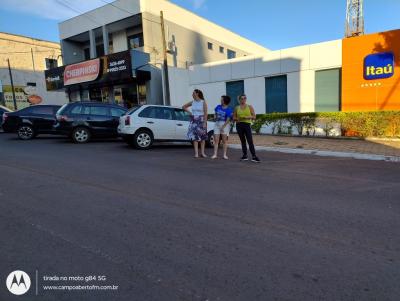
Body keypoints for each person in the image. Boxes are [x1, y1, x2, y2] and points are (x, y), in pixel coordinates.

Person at [233, 94, 261, 163]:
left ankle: (254, 156)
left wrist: (248, 117)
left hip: (247, 125)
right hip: (239, 125)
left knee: (250, 140)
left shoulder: (249, 107)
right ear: (239, 100)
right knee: (243, 141)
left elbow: (254, 117)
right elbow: (233, 118)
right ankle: (245, 155)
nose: (243, 100)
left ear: (246, 99)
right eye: (241, 99)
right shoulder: (237, 108)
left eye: (244, 98)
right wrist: (238, 118)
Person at [183, 89, 208, 158]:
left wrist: (205, 123)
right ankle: (196, 153)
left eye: (193, 93)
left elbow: (206, 113)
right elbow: (184, 106)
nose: (192, 94)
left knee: (202, 138)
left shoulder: (203, 102)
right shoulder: (192, 102)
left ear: (197, 94)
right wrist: (190, 113)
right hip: (194, 121)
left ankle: (202, 153)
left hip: (201, 120)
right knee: (195, 138)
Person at [212, 96, 233, 160]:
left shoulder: (229, 109)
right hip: (217, 124)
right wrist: (215, 117)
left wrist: (223, 127)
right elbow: (215, 114)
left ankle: (224, 155)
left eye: (222, 100)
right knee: (216, 140)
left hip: (225, 125)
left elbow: (228, 119)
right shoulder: (218, 106)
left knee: (224, 141)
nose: (220, 100)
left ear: (224, 101)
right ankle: (215, 154)